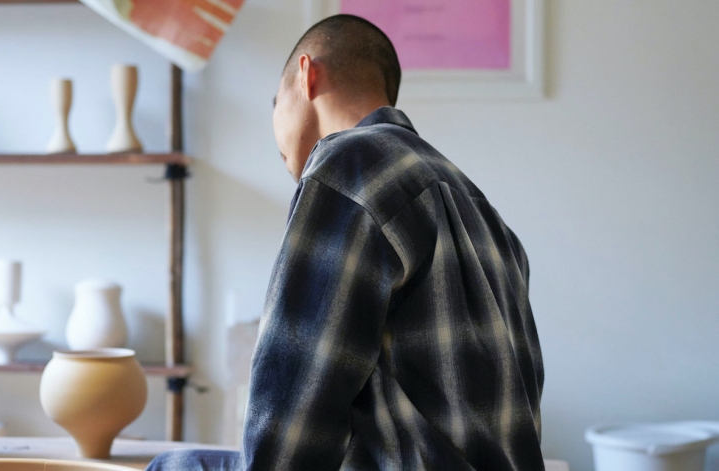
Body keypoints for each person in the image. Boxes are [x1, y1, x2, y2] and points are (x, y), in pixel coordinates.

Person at [147, 14, 544, 471]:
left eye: (276, 103)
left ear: (307, 75)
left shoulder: (349, 165)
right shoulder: (482, 211)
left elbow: (291, 416)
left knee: (171, 465)